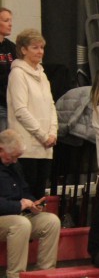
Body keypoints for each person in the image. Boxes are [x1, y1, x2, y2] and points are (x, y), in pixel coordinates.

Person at [0, 129, 59, 278]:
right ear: (1, 149)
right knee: (21, 224)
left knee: (51, 221)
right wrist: (19, 205)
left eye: (17, 157)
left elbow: (24, 190)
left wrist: (33, 203)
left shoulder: (14, 165)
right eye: (12, 157)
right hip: (7, 217)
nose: (14, 161)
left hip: (18, 215)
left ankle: (44, 274)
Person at [7, 29, 56, 201]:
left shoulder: (42, 75)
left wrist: (52, 132)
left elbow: (51, 106)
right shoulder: (17, 74)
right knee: (28, 195)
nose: (40, 51)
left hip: (45, 147)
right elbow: (20, 110)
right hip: (27, 147)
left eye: (42, 47)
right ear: (23, 50)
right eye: (35, 47)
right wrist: (43, 135)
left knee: (40, 196)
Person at [0, 8, 15, 132]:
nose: (10, 24)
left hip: (9, 102)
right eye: (6, 21)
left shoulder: (11, 47)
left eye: (11, 20)